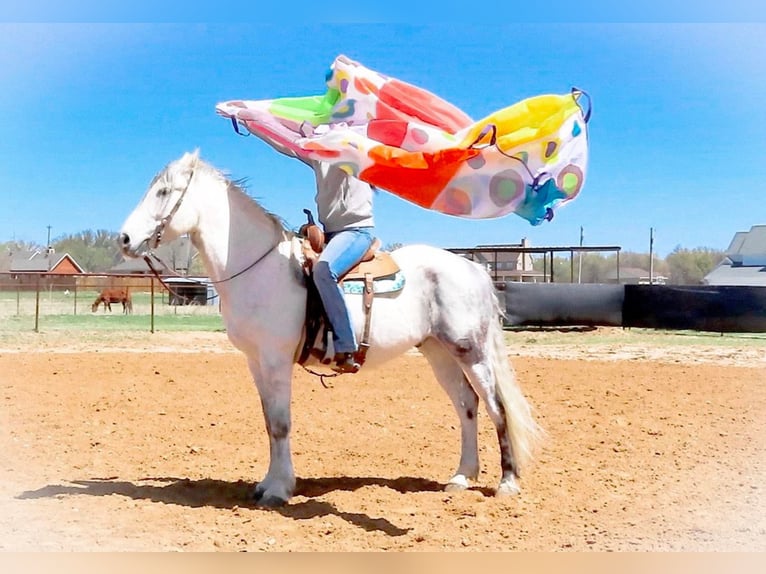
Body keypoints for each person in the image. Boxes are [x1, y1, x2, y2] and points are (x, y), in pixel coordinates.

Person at [308, 159, 375, 373]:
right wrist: (250, 124)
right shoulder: (317, 155)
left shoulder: (358, 151)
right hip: (329, 232)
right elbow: (282, 139)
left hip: (355, 231)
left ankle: (346, 346)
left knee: (324, 270)